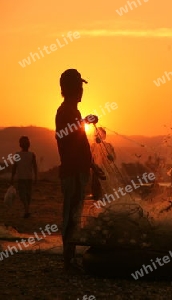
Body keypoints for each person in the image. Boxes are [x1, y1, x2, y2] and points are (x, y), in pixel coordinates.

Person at [55, 69, 98, 271]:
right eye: (79, 87)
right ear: (70, 89)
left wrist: (92, 164)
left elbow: (81, 144)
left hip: (79, 170)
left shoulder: (74, 112)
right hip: (71, 172)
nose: (82, 91)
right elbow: (63, 136)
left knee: (75, 214)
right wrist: (84, 122)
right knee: (71, 215)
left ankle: (70, 258)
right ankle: (68, 260)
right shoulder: (64, 112)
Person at [10, 136, 38, 218]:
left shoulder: (20, 155)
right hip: (26, 178)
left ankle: (26, 210)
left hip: (24, 178)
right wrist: (36, 177)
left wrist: (12, 178)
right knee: (26, 195)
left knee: (24, 196)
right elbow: (35, 167)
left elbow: (14, 168)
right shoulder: (30, 155)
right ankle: (27, 210)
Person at [90, 127, 115, 200]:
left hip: (106, 168)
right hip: (96, 168)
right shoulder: (93, 146)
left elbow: (113, 157)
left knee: (106, 182)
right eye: (97, 135)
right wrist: (93, 166)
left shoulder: (108, 146)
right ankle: (97, 197)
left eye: (101, 135)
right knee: (96, 183)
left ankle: (106, 197)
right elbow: (90, 157)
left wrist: (110, 157)